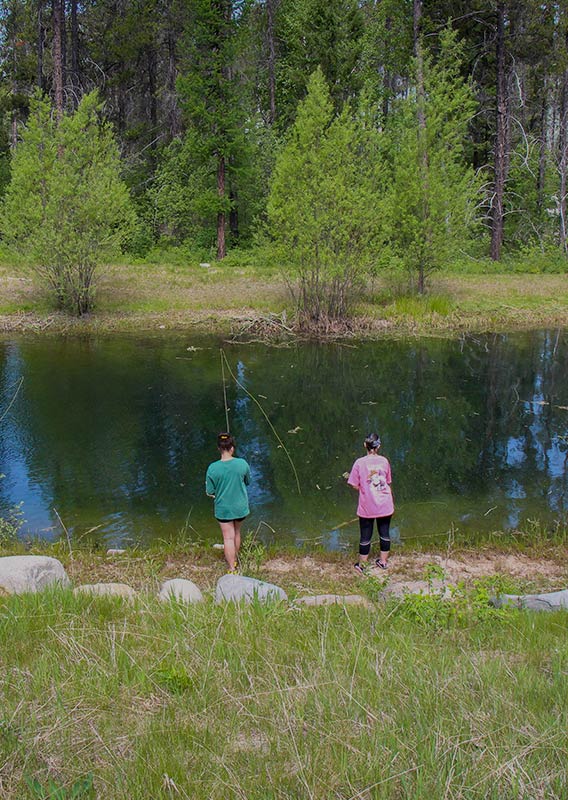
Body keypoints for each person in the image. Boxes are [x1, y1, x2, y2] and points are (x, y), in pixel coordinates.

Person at [347, 432, 394, 574]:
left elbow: (354, 484)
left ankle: (362, 565)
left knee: (365, 536)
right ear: (378, 446)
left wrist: (364, 488)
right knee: (384, 533)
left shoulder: (359, 463)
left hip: (367, 505)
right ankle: (383, 562)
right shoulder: (384, 461)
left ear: (364, 445)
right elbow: (388, 481)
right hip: (385, 503)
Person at [206, 432, 251, 573]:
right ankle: (236, 560)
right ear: (232, 448)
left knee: (228, 537)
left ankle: (231, 568)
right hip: (240, 508)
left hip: (223, 509)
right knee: (236, 533)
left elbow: (210, 491)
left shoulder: (212, 468)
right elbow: (248, 481)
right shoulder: (242, 464)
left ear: (219, 448)